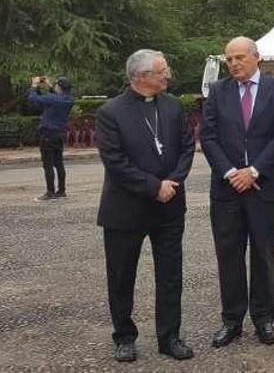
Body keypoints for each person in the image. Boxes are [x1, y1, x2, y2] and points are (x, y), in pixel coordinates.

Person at [95, 49, 195, 362]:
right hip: (126, 209)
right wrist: (155, 187)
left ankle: (170, 337)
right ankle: (124, 337)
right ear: (142, 76)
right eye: (162, 71)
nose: (168, 75)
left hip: (169, 207)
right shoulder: (111, 112)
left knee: (170, 275)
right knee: (122, 276)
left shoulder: (173, 106)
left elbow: (187, 148)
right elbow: (115, 162)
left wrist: (172, 183)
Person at [202, 36, 274, 348]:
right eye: (229, 59)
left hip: (264, 186)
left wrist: (254, 171)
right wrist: (231, 173)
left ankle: (264, 318)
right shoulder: (217, 92)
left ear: (257, 58)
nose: (234, 64)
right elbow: (209, 137)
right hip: (226, 189)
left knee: (263, 253)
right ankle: (232, 320)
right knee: (228, 254)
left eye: (240, 57)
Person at [27, 76, 74, 201]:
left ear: (59, 87)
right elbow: (57, 96)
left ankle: (50, 192)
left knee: (48, 164)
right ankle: (61, 191)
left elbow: (32, 98)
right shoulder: (69, 99)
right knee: (59, 163)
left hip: (48, 134)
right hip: (60, 135)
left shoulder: (52, 99)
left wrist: (34, 85)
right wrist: (50, 86)